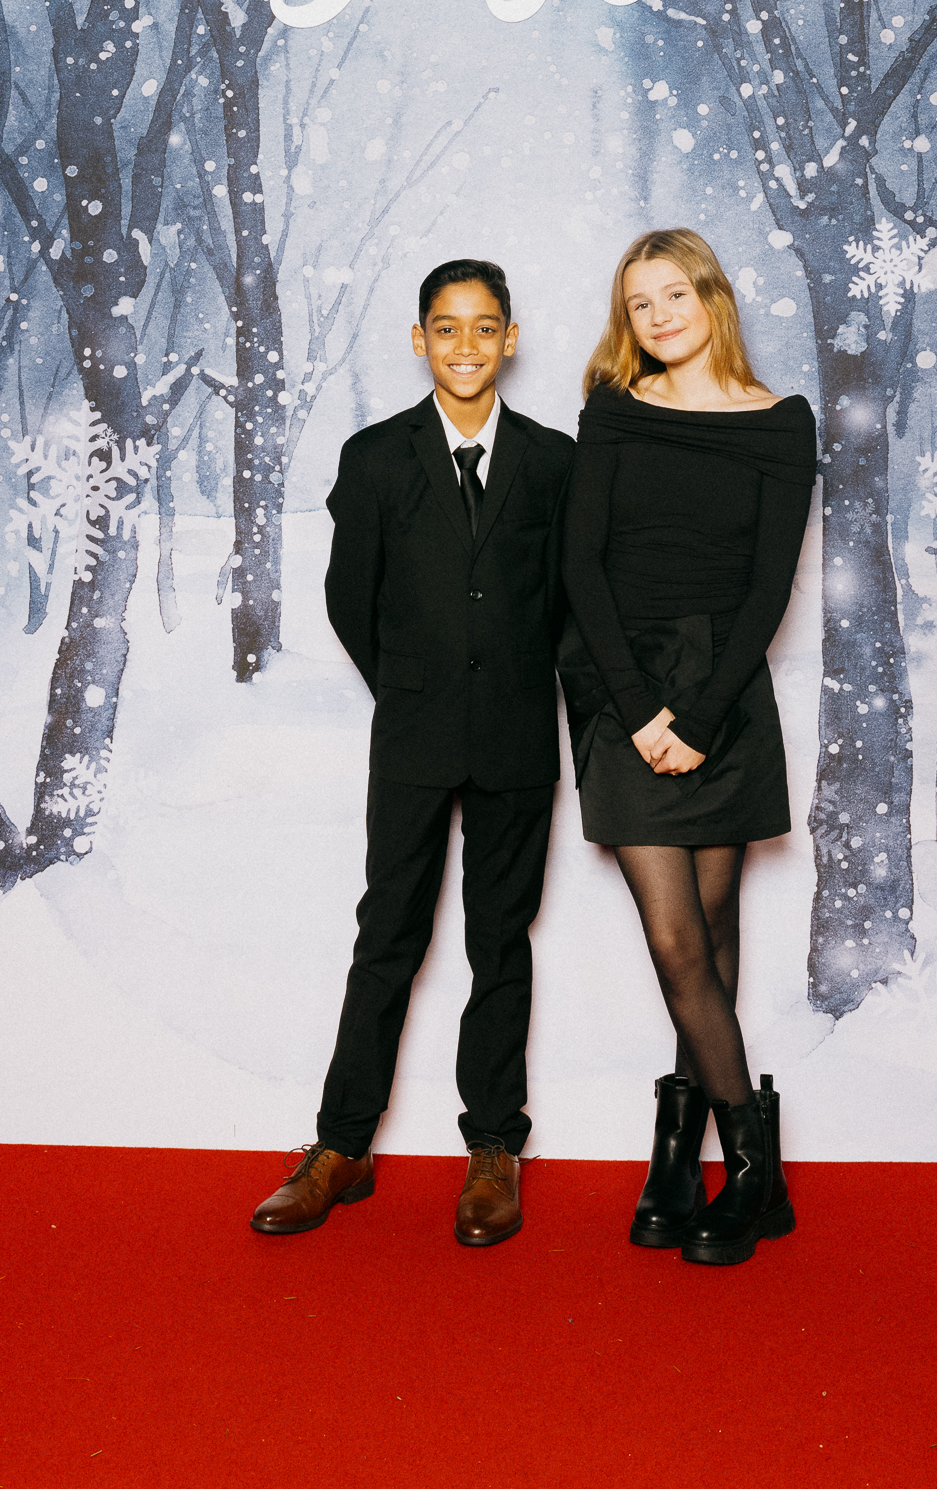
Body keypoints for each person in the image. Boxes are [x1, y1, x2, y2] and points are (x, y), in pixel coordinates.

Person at [250, 260, 575, 1248]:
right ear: (419, 339)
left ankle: (494, 1147)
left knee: (499, 942)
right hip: (414, 735)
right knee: (387, 934)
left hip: (518, 736)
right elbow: (351, 600)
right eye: (446, 327)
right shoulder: (376, 457)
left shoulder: (552, 461)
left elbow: (568, 601)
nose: (465, 346)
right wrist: (415, 683)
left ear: (510, 339)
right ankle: (341, 1146)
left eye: (483, 327)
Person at [560, 228, 818, 1267]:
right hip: (621, 681)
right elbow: (581, 568)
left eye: (675, 294)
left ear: (712, 296)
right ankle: (757, 1166)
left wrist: (703, 719)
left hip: (725, 689)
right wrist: (639, 713)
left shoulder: (780, 423)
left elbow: (769, 585)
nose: (660, 316)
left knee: (710, 931)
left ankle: (680, 1155)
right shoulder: (614, 411)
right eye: (640, 303)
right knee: (676, 942)